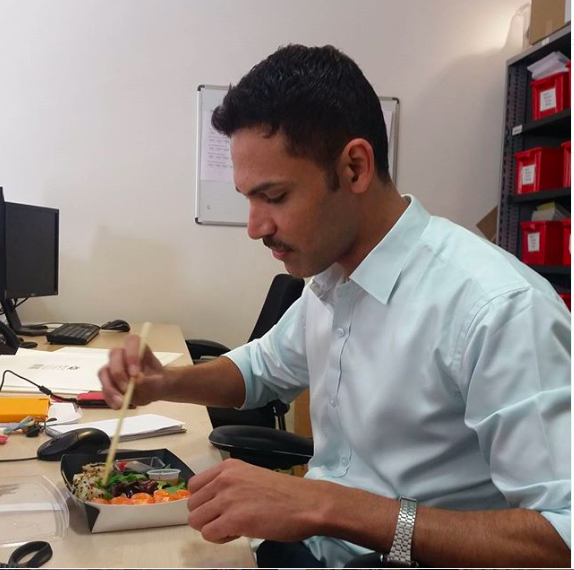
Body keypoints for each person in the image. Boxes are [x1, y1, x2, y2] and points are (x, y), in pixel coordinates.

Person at [99, 45, 571, 568]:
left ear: (354, 167)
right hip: (316, 547)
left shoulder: (498, 309)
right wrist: (166, 382)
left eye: (275, 197)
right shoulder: (331, 274)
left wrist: (328, 506)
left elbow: (561, 538)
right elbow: (260, 370)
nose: (255, 227)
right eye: (247, 198)